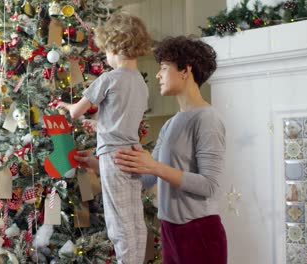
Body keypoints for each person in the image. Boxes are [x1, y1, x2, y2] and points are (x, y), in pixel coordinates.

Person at [75, 36, 228, 264]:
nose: (158, 75)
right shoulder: (171, 124)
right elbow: (146, 178)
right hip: (170, 231)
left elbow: (209, 185)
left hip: (198, 231)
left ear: (185, 70)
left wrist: (156, 167)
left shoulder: (207, 119)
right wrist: (98, 164)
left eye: (164, 68)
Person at [59, 13, 151, 264]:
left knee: (117, 219)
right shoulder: (141, 85)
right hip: (133, 154)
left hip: (113, 157)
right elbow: (124, 119)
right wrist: (99, 125)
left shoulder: (109, 79)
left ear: (114, 47)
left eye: (106, 51)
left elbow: (77, 111)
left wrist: (66, 106)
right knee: (133, 215)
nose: (105, 57)